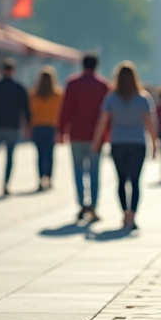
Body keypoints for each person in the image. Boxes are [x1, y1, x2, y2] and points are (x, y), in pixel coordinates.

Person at [91, 61, 158, 230]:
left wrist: (96, 141)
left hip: (118, 143)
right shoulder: (143, 98)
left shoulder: (111, 98)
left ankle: (124, 214)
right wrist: (155, 143)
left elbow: (102, 121)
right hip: (138, 143)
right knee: (135, 181)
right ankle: (132, 216)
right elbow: (150, 123)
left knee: (121, 180)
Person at [58, 53, 109, 221]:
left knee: (78, 170)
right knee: (94, 171)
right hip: (96, 136)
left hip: (77, 134)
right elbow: (107, 114)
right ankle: (93, 206)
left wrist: (61, 131)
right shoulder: (103, 85)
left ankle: (81, 204)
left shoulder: (73, 83)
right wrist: (106, 135)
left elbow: (66, 109)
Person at [0, 59, 29, 198]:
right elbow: (26, 109)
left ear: (1, 70)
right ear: (13, 71)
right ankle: (5, 184)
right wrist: (28, 125)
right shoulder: (19, 87)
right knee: (9, 156)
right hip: (13, 126)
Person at [30, 66, 63, 191]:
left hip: (37, 126)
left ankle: (40, 178)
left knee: (39, 154)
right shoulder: (58, 94)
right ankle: (49, 178)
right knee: (49, 153)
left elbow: (31, 112)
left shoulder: (34, 94)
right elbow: (61, 113)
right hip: (51, 127)